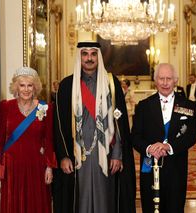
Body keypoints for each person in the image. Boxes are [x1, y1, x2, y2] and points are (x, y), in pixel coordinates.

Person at [53, 41, 136, 213]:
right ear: (79, 57)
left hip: (105, 153)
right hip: (77, 154)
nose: (89, 58)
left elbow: (119, 123)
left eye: (93, 54)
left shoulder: (111, 84)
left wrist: (117, 154)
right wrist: (63, 156)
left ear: (99, 56)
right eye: (85, 54)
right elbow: (58, 125)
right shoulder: (67, 86)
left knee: (105, 200)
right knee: (79, 200)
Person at [132, 63, 196, 213]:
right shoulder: (143, 106)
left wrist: (169, 147)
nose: (165, 82)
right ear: (155, 80)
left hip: (176, 167)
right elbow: (135, 136)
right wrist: (150, 148)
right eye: (161, 78)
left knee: (174, 207)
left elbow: (191, 135)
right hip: (150, 166)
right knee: (151, 208)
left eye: (168, 78)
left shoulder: (188, 106)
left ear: (175, 80)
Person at [0, 67, 56, 213]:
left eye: (30, 85)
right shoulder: (6, 106)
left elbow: (48, 139)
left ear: (35, 87)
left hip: (36, 166)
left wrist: (49, 167)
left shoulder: (45, 108)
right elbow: (0, 136)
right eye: (22, 85)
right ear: (16, 87)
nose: (26, 89)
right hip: (12, 167)